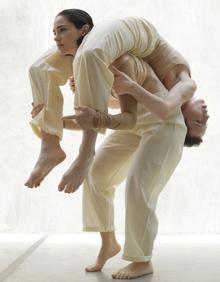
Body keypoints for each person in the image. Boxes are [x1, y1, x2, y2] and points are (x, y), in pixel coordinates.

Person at [25, 9, 202, 194]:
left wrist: (50, 119)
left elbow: (115, 105)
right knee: (90, 54)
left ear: (184, 121)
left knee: (39, 70)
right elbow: (164, 109)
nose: (206, 113)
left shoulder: (158, 89)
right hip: (141, 34)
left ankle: (50, 145)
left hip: (112, 49)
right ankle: (84, 153)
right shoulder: (185, 82)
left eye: (199, 122)